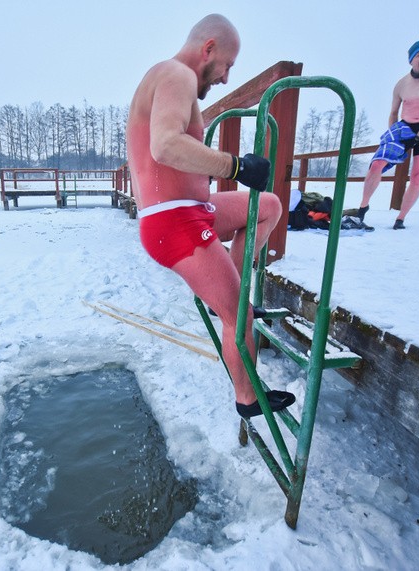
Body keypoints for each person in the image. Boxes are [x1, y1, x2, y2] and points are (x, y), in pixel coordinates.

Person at [126, 14, 295, 418]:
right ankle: (248, 399)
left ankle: (228, 285)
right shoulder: (176, 74)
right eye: (227, 65)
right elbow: (165, 145)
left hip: (192, 212)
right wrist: (235, 166)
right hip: (174, 222)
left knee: (268, 205)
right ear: (209, 49)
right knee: (239, 315)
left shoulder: (172, 80)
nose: (224, 78)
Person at [357, 39, 419, 229]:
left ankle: (400, 218)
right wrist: (392, 133)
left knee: (417, 175)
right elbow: (393, 112)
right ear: (411, 60)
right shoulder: (402, 84)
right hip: (404, 127)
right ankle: (363, 206)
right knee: (377, 164)